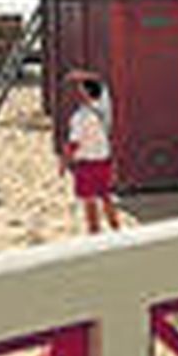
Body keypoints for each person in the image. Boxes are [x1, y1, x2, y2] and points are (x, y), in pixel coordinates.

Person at [60, 69, 120, 233]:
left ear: (85, 93)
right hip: (105, 159)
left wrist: (64, 162)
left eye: (80, 89)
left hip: (87, 164)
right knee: (106, 196)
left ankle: (95, 234)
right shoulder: (104, 106)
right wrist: (84, 76)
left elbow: (73, 144)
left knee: (90, 201)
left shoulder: (80, 117)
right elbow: (103, 83)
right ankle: (116, 229)